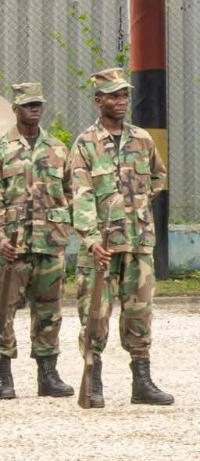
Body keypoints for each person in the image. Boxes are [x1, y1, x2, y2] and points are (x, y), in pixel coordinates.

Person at [68, 68, 173, 407]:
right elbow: (79, 193)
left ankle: (141, 381)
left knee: (140, 311)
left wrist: (137, 209)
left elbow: (158, 178)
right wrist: (90, 237)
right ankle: (93, 379)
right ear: (98, 100)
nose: (121, 101)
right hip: (101, 246)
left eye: (124, 95)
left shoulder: (141, 139)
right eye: (113, 95)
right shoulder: (85, 144)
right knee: (95, 313)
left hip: (138, 242)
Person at [0, 81, 73, 400]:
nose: (35, 109)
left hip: (48, 244)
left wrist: (63, 224)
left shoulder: (58, 149)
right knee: (2, 309)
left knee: (49, 310)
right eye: (28, 104)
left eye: (38, 104)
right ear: (15, 109)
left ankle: (48, 374)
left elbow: (73, 192)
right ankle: (2, 373)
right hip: (11, 247)